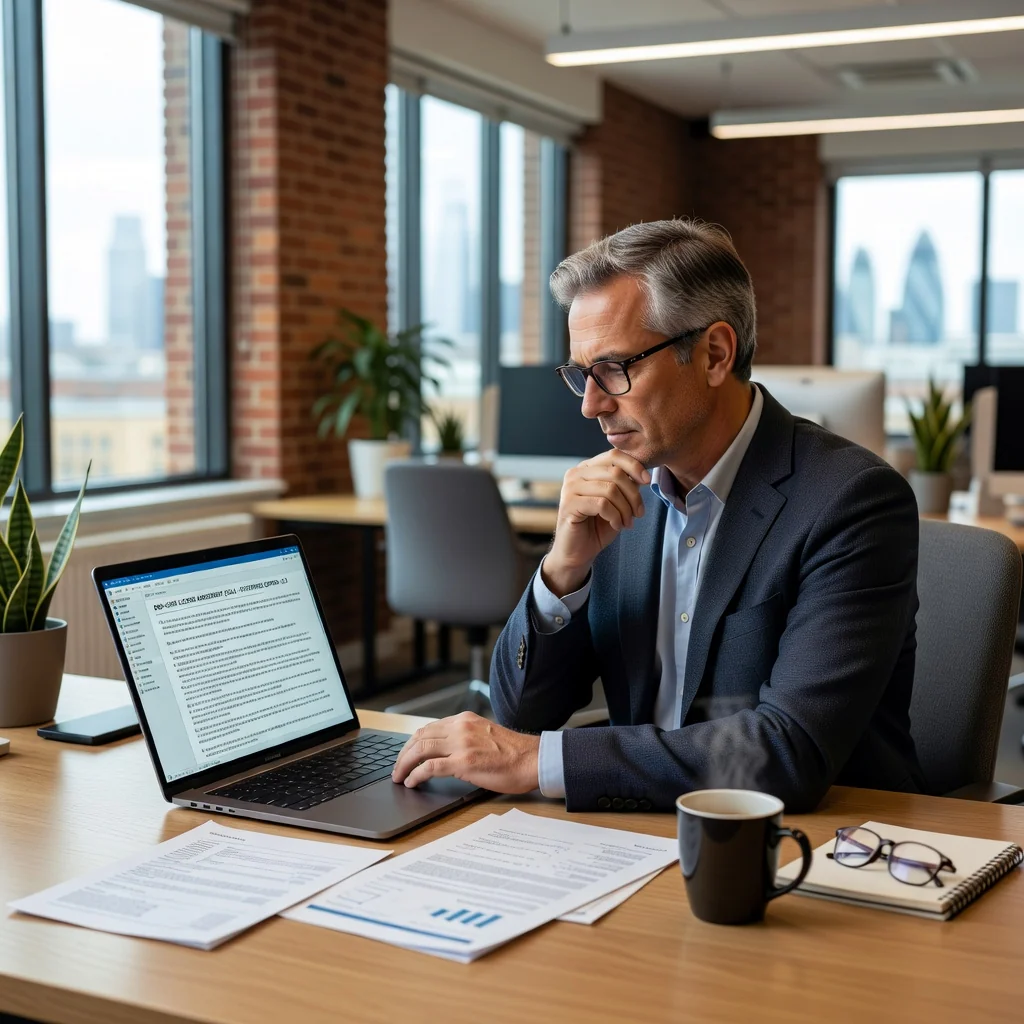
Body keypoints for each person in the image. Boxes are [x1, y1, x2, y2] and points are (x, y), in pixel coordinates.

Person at [392, 218, 925, 813]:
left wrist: (536, 761)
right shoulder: (619, 491)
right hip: (637, 821)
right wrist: (563, 570)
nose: (591, 405)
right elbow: (520, 715)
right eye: (581, 375)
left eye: (615, 368)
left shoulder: (851, 501)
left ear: (714, 354)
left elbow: (788, 751)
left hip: (817, 837)